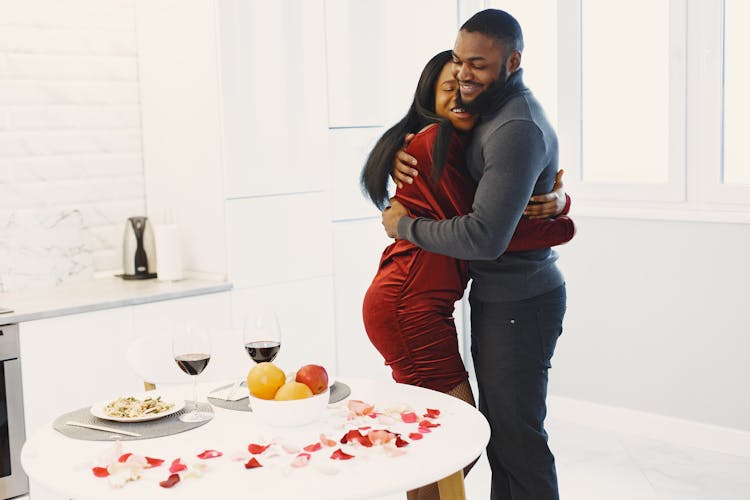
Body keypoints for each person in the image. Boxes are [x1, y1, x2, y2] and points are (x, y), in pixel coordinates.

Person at [366, 47, 573, 499]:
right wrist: (562, 222)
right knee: (455, 443)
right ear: (428, 97)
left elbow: (485, 221)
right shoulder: (430, 144)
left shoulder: (461, 143)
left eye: (464, 83)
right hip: (409, 305)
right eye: (448, 88)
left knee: (449, 441)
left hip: (414, 300)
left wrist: (559, 202)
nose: (460, 94)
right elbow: (485, 232)